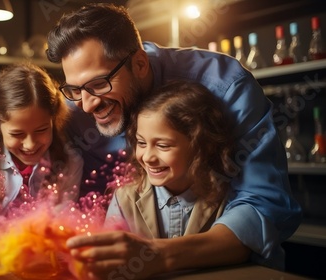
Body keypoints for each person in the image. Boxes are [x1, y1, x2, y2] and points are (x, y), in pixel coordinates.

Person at [46, 2, 301, 278]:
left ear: (140, 64)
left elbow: (263, 204)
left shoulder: (225, 86)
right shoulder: (76, 106)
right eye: (75, 90)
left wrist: (157, 256)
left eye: (99, 84)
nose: (86, 105)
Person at [103, 80, 242, 279]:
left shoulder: (227, 195)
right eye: (141, 143)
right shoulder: (124, 198)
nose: (148, 156)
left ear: (202, 145)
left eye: (163, 145)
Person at [0, 63, 82, 226]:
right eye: (17, 134)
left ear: (53, 120)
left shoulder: (69, 162)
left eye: (41, 130)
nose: (30, 144)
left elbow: (62, 226)